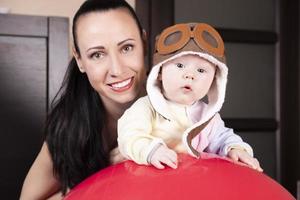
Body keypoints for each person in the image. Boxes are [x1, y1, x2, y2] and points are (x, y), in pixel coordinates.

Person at [20, 0, 147, 199]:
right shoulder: (69, 126)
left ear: (144, 43)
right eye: (97, 55)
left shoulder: (180, 107)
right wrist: (104, 176)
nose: (117, 70)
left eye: (127, 48)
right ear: (79, 60)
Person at [118, 23, 263, 171]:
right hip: (148, 178)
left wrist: (236, 149)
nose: (190, 75)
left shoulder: (208, 116)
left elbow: (223, 138)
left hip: (189, 182)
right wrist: (151, 151)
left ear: (214, 82)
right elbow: (129, 136)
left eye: (201, 70)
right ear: (160, 72)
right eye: (180, 66)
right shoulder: (146, 107)